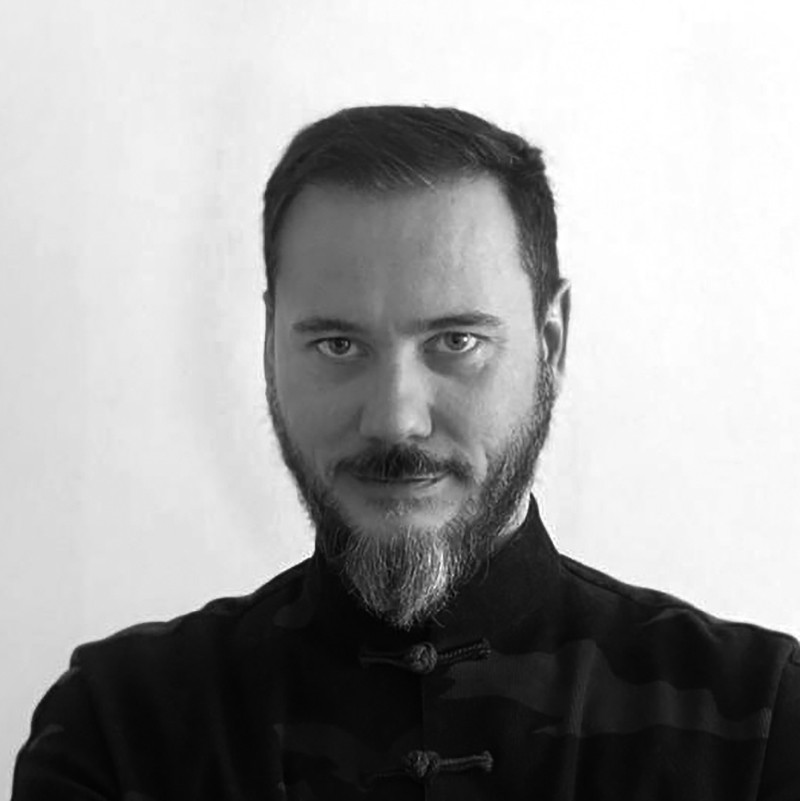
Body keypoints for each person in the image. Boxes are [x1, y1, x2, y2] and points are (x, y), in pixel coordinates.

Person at [12, 105, 800, 800]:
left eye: (456, 341)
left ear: (551, 344)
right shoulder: (120, 727)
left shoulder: (764, 721)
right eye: (337, 343)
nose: (395, 419)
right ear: (268, 347)